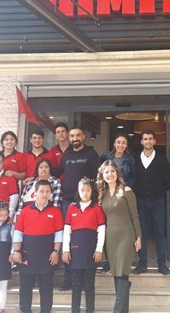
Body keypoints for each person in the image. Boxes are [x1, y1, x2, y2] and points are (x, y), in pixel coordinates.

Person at [55, 126, 100, 291]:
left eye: (78, 135)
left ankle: (84, 276)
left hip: (86, 204)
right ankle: (68, 279)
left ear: (83, 137)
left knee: (84, 239)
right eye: (72, 135)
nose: (75, 138)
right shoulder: (67, 155)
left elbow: (99, 178)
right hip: (68, 203)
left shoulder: (91, 154)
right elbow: (57, 172)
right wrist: (39, 173)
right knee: (68, 239)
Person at [97, 160, 141, 313]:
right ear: (102, 175)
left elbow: (135, 215)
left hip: (126, 236)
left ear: (117, 173)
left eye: (112, 171)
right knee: (117, 273)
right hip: (110, 238)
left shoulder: (126, 190)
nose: (110, 174)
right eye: (106, 172)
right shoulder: (101, 194)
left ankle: (116, 310)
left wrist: (139, 237)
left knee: (122, 271)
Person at [12, 180, 63, 313]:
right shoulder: (25, 211)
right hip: (27, 255)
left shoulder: (56, 211)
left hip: (47, 256)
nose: (45, 194)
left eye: (47, 191)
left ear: (51, 194)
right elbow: (18, 233)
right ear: (35, 193)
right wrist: (16, 251)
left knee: (46, 288)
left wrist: (56, 251)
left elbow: (59, 234)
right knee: (25, 287)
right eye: (42, 191)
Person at [133, 130, 170, 276]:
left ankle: (162, 264)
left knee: (159, 233)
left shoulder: (161, 159)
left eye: (150, 139)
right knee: (142, 233)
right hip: (140, 203)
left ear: (154, 141)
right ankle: (142, 264)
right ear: (141, 141)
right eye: (145, 139)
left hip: (157, 202)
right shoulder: (135, 158)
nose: (148, 141)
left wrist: (161, 189)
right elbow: (132, 177)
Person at [62, 178, 106, 313]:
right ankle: (75, 310)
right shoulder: (71, 208)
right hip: (75, 252)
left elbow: (102, 230)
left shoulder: (97, 208)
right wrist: (65, 250)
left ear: (92, 191)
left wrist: (99, 250)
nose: (85, 193)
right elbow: (67, 231)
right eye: (82, 190)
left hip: (91, 251)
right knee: (76, 285)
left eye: (88, 190)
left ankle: (90, 310)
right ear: (78, 191)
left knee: (89, 285)